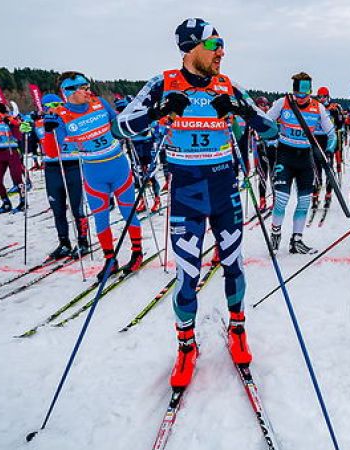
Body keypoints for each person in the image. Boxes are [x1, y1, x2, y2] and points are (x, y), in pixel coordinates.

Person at [114, 17, 277, 388]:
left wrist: (240, 111)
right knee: (187, 275)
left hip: (225, 191)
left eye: (222, 45)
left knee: (234, 265)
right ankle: (186, 346)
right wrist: (157, 112)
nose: (222, 51)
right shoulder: (163, 83)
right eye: (214, 44)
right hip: (187, 192)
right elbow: (119, 126)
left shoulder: (226, 85)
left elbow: (271, 129)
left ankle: (237, 329)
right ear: (191, 48)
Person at [42, 72, 142, 278]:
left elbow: (119, 127)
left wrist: (125, 116)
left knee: (128, 212)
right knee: (101, 217)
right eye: (83, 87)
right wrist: (49, 131)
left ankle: (137, 253)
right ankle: (110, 260)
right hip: (93, 172)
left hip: (118, 167)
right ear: (68, 92)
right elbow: (52, 152)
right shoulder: (61, 115)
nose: (89, 90)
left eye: (88, 86)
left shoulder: (100, 103)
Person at [265, 72, 336, 254]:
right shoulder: (283, 103)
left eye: (304, 94)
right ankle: (275, 235)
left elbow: (332, 133)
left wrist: (327, 152)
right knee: (281, 199)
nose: (300, 98)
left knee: (304, 201)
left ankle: (297, 241)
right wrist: (270, 140)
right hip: (285, 156)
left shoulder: (318, 108)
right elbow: (265, 122)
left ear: (310, 91)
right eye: (297, 94)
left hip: (305, 158)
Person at [38, 93, 89, 259]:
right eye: (47, 106)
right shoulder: (40, 122)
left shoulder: (70, 118)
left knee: (77, 208)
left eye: (56, 105)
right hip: (52, 168)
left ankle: (82, 242)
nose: (52, 109)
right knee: (57, 209)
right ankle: (64, 243)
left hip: (73, 165)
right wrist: (25, 132)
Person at [0, 100, 26, 213]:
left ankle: (23, 202)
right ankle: (6, 203)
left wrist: (12, 124)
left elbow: (19, 137)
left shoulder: (8, 119)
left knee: (17, 179)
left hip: (11, 152)